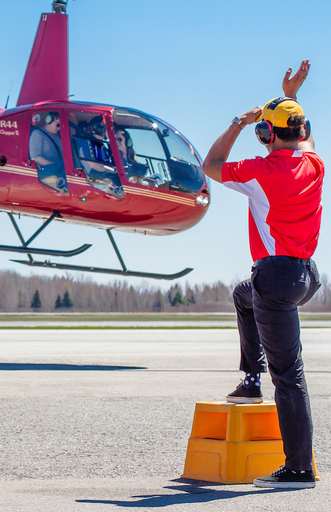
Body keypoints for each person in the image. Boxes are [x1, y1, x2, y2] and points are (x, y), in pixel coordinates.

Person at [201, 60, 322, 490]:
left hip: (276, 278)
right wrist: (290, 97)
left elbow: (212, 165)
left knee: (289, 376)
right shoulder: (314, 165)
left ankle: (298, 469)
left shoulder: (260, 171)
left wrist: (238, 121)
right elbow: (299, 138)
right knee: (241, 294)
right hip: (306, 277)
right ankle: (251, 380)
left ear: (267, 135)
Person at [29, 112, 66, 192]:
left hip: (57, 172)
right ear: (48, 120)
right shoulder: (37, 134)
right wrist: (55, 165)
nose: (59, 128)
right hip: (46, 173)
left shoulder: (57, 136)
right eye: (58, 125)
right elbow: (35, 157)